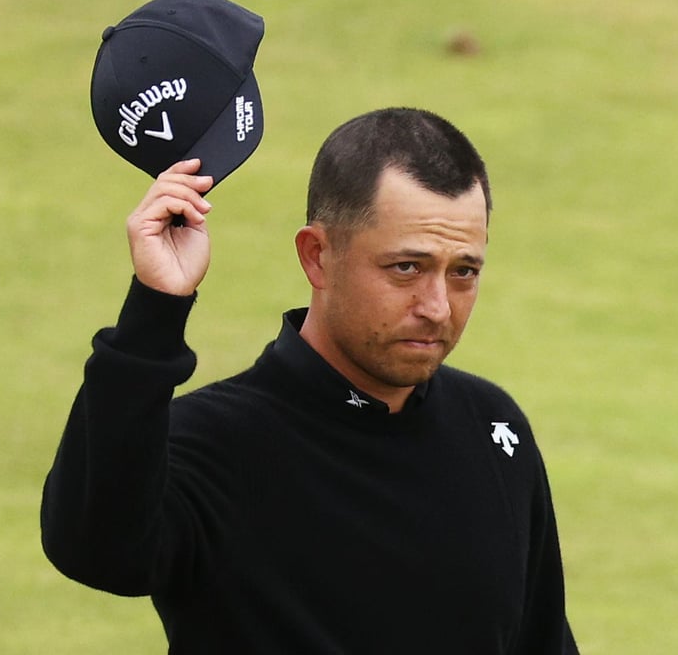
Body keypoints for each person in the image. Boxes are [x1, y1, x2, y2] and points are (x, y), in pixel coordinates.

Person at [40, 107, 580, 653]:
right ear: (317, 256)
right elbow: (96, 551)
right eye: (406, 268)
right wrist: (154, 311)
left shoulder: (492, 429)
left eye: (463, 271)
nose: (437, 307)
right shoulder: (214, 442)